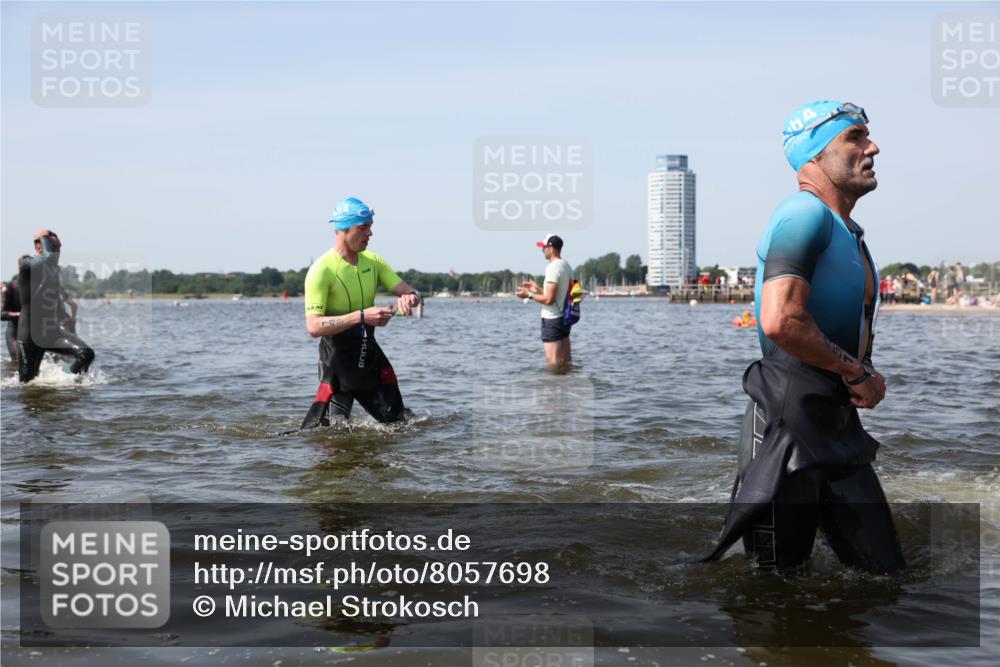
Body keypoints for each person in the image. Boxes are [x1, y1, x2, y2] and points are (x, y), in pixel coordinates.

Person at [701, 101, 904, 573]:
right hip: (785, 426)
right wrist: (856, 371)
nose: (872, 147)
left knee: (888, 577)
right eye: (854, 137)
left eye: (866, 136)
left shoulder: (849, 232)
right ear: (814, 156)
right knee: (773, 590)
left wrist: (859, 374)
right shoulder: (801, 214)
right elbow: (780, 320)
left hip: (834, 421)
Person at [302, 197, 421, 425]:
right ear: (343, 229)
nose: (370, 233)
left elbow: (413, 293)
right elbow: (313, 326)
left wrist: (410, 298)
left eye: (371, 227)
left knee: (399, 424)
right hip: (337, 361)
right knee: (334, 435)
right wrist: (362, 316)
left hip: (369, 354)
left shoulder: (373, 262)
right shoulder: (322, 269)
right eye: (363, 227)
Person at [17, 230, 95, 383]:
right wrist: (43, 235)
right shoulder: (27, 266)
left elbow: (54, 300)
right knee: (27, 385)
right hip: (29, 336)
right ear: (40, 247)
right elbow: (48, 257)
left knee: (86, 355)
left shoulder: (54, 272)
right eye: (54, 247)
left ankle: (65, 380)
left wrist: (65, 318)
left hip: (51, 332)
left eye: (59, 248)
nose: (58, 252)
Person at [516, 234, 574, 365]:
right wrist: (537, 289)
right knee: (565, 361)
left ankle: (553, 386)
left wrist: (528, 295)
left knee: (553, 362)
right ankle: (567, 385)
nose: (542, 250)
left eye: (544, 247)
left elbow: (549, 300)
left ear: (551, 248)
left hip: (552, 319)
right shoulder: (567, 266)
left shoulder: (552, 267)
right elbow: (558, 295)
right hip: (564, 318)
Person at [1, 256, 29, 363]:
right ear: (19, 267)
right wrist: (21, 314)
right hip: (14, 334)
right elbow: (2, 315)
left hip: (31, 334)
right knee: (19, 361)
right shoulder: (11, 287)